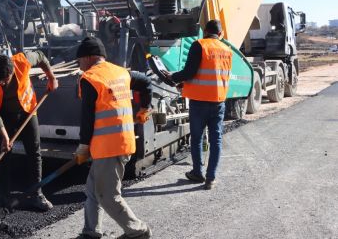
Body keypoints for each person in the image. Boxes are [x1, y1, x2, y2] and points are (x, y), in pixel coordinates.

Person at [75, 37, 153, 239]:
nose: (79, 65)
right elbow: (146, 82)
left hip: (109, 147)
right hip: (121, 141)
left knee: (107, 195)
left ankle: (137, 231)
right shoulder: (121, 72)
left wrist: (83, 146)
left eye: (80, 60)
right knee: (93, 190)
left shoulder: (91, 78)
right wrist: (145, 106)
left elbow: (87, 117)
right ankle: (91, 231)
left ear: (90, 57)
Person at [0, 51, 58, 211]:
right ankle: (3, 194)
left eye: (3, 81)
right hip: (3, 116)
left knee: (35, 152)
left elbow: (41, 57)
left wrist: (51, 77)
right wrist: (5, 137)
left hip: (28, 110)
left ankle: (37, 194)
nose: (0, 84)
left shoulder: (22, 61)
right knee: (3, 154)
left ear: (11, 72)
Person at [163, 19, 232, 190]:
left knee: (197, 138)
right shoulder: (227, 50)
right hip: (218, 101)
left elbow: (190, 72)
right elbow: (215, 75)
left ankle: (197, 173)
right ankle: (211, 178)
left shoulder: (199, 45)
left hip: (199, 102)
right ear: (220, 34)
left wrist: (172, 77)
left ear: (205, 31)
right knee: (216, 140)